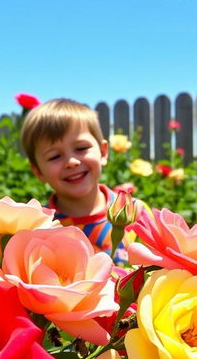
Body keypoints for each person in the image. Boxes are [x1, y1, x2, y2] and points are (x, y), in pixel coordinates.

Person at [20, 97, 129, 262]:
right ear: (38, 171)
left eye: (81, 148)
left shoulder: (135, 212)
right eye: (55, 156)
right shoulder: (39, 228)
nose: (71, 162)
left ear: (103, 152)